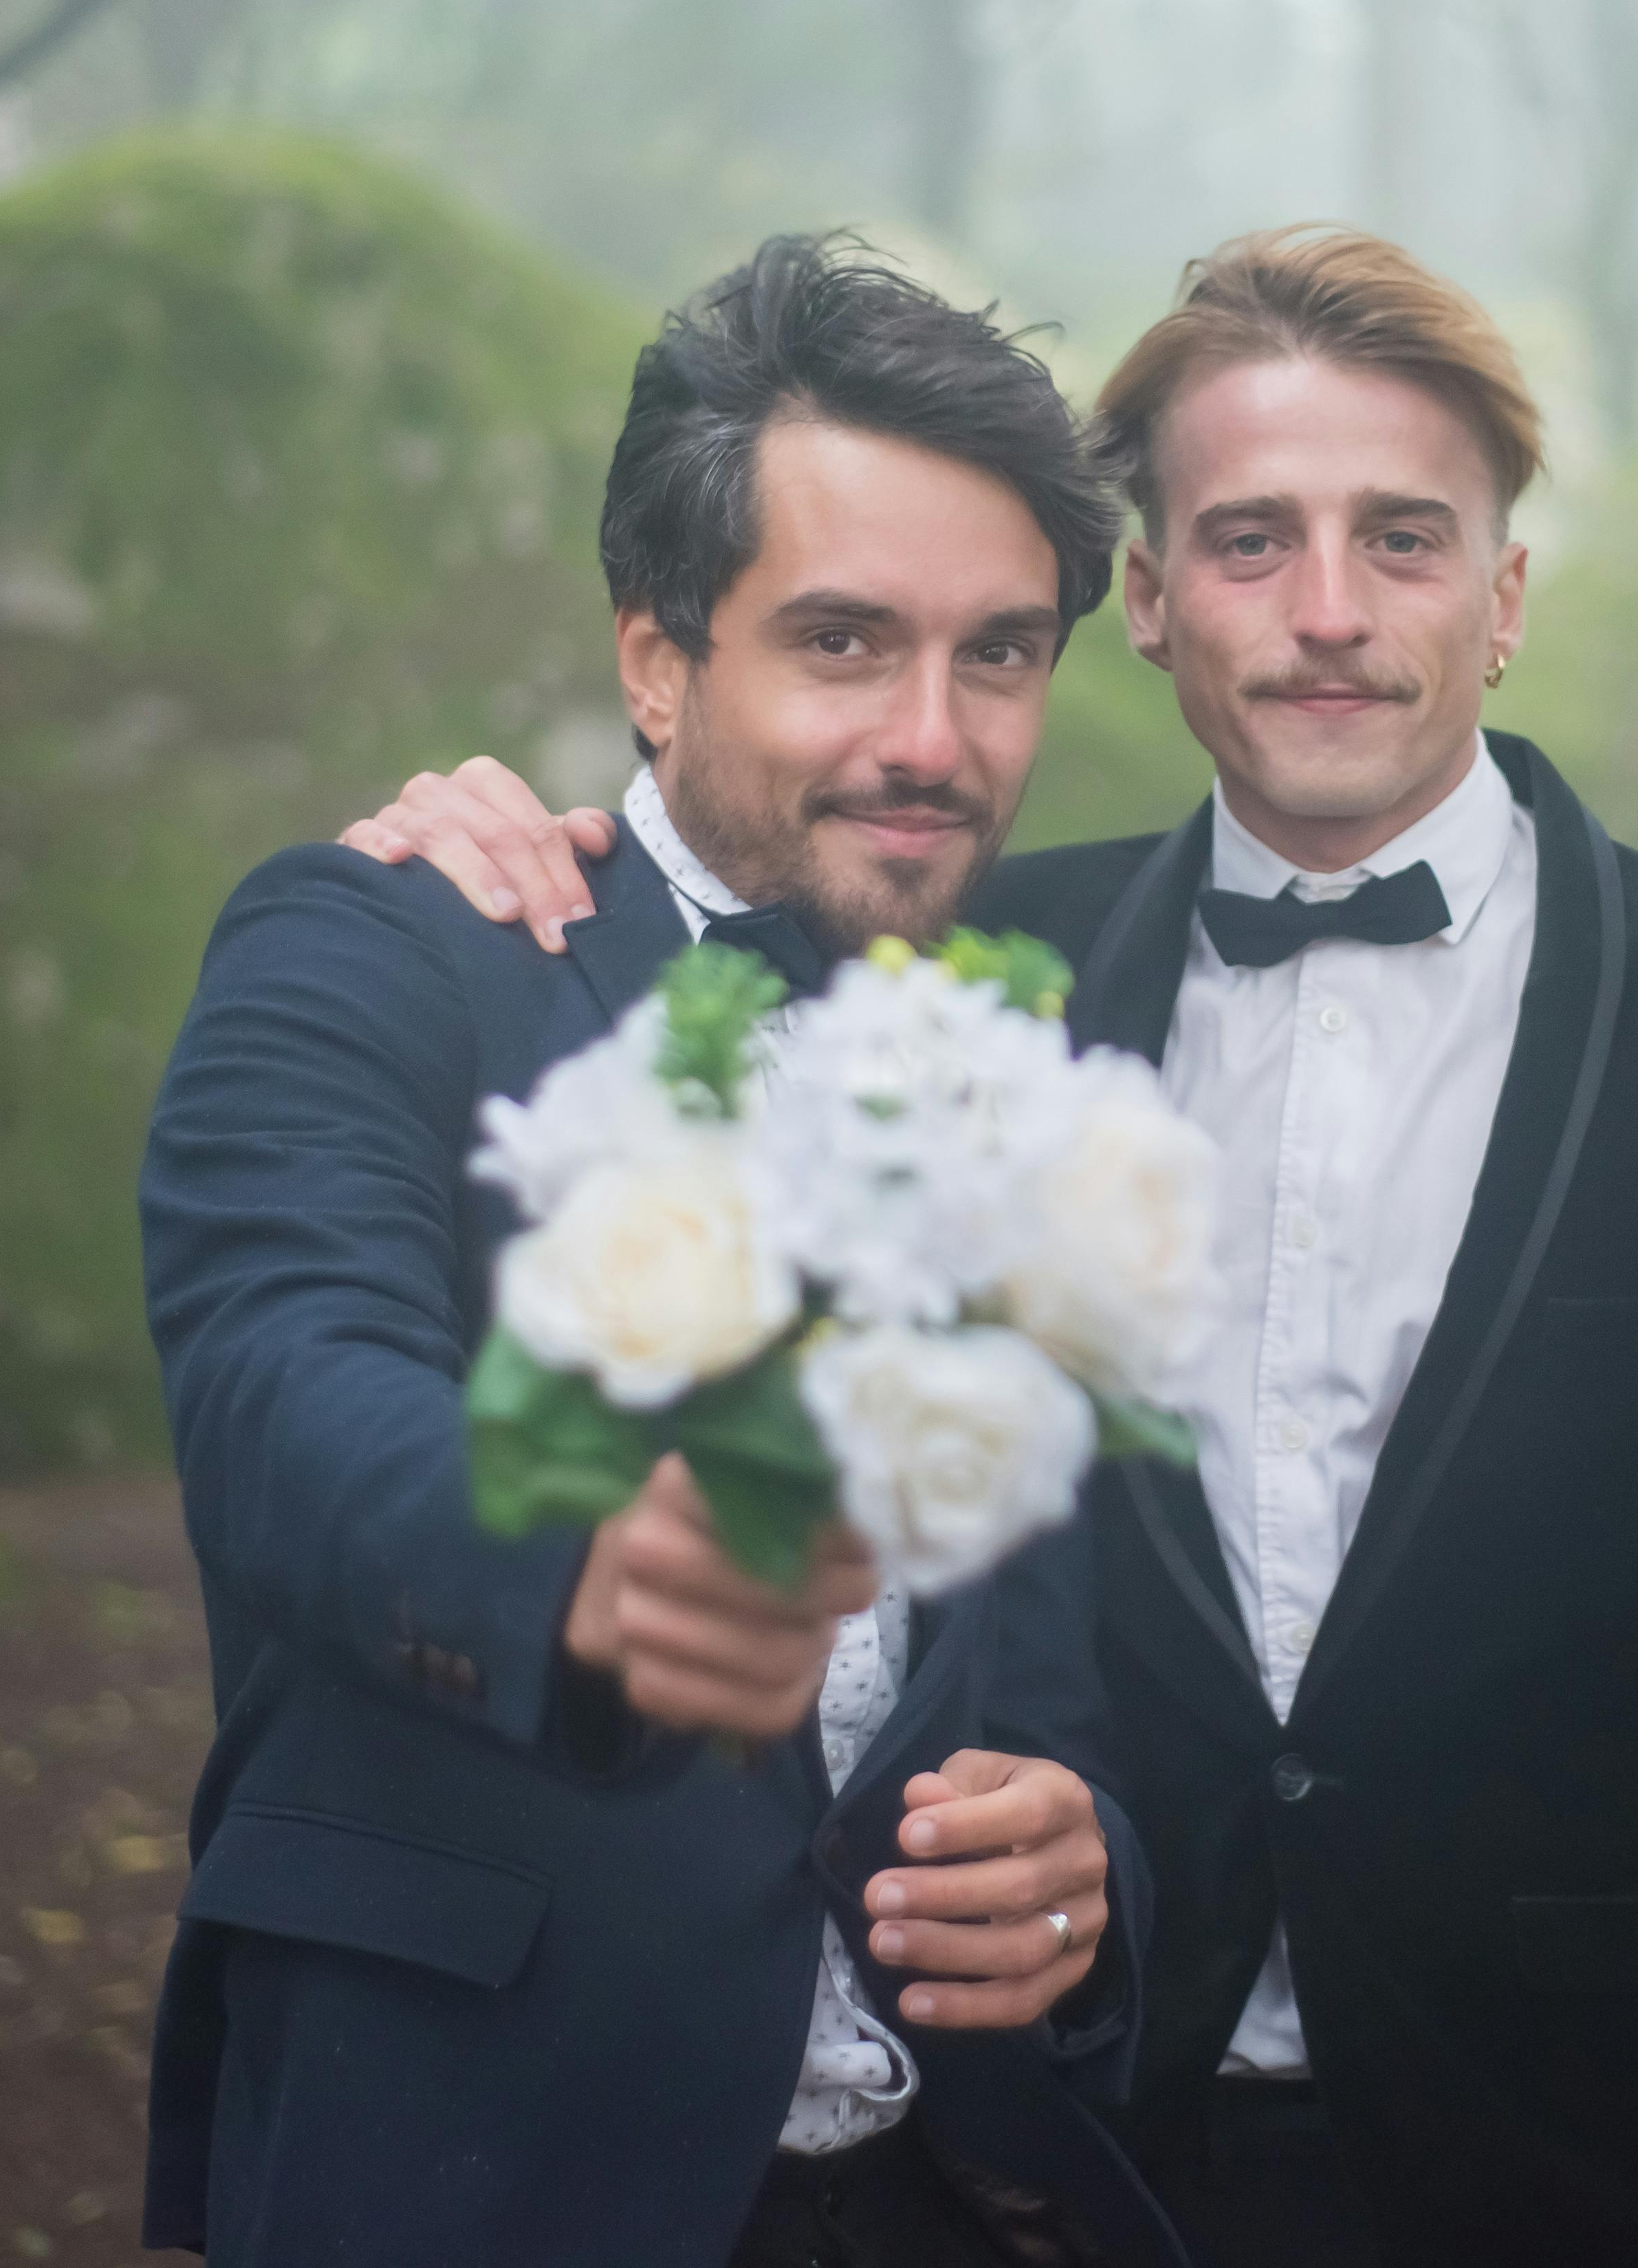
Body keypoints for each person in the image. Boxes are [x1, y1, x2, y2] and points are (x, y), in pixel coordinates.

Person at [360, 228, 1638, 2268]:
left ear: (1503, 600)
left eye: (1402, 541)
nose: (1329, 614)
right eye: (1249, 541)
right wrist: (457, 851)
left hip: (1587, 2158)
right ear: (1141, 600)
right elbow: (665, 909)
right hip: (1058, 2150)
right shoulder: (941, 975)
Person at [144, 235, 1182, 2268]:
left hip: (950, 2205)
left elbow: (1048, 1657)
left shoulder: (1030, 1056)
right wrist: (586, 1560)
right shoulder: (375, 944)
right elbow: (278, 1378)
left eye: (999, 654)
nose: (937, 736)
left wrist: (1092, 1869)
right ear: (652, 659)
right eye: (843, 643)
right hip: (479, 2180)